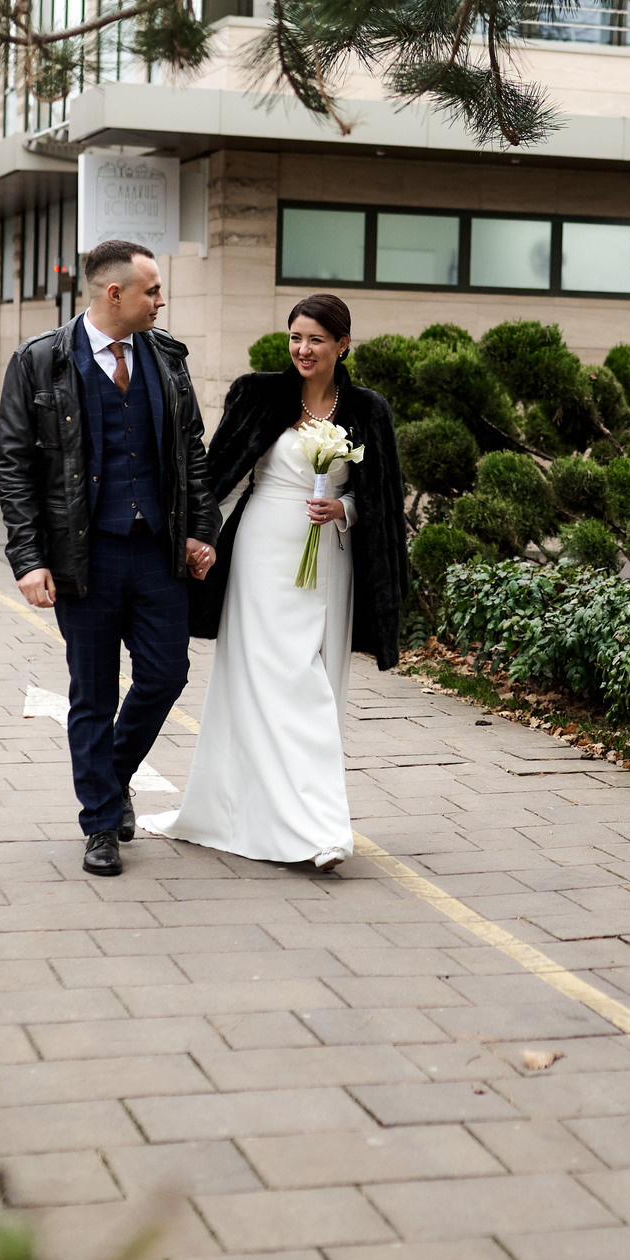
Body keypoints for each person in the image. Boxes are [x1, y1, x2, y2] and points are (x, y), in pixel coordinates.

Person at [0, 240, 218, 878]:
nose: (161, 299)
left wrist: (201, 529)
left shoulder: (167, 358)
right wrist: (28, 558)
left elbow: (191, 451)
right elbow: (14, 466)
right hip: (81, 558)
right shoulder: (41, 361)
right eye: (152, 290)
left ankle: (110, 777)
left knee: (165, 675)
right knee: (91, 693)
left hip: (156, 550)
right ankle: (99, 824)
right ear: (113, 294)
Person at [167, 294, 410, 871]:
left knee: (314, 684)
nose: (302, 349)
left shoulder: (369, 410)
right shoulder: (256, 393)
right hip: (259, 552)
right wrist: (199, 539)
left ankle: (314, 822)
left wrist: (344, 509)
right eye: (295, 337)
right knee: (261, 684)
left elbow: (382, 496)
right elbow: (218, 471)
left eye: (316, 340)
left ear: (342, 345)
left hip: (329, 561)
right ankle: (294, 824)